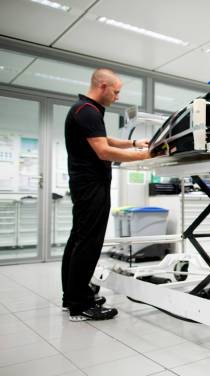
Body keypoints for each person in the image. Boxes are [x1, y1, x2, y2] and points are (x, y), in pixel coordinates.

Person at [62, 68, 150, 321]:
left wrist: (134, 144)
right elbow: (103, 151)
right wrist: (147, 155)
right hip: (91, 185)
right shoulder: (87, 111)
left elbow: (104, 139)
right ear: (102, 85)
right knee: (88, 242)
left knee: (79, 239)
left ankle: (72, 296)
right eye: (116, 91)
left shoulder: (84, 109)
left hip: (85, 184)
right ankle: (80, 304)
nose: (118, 96)